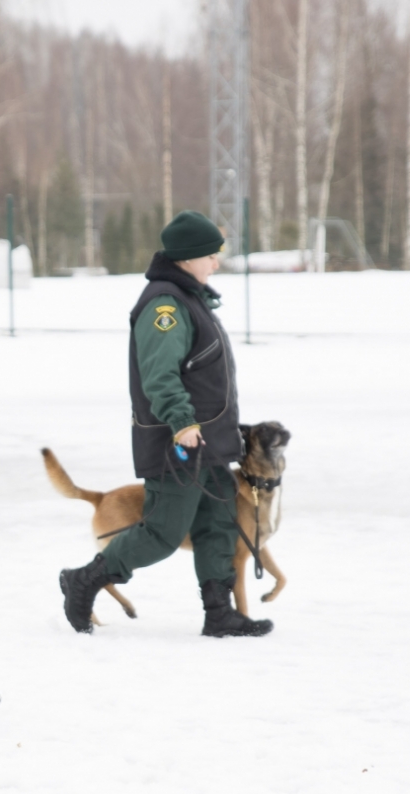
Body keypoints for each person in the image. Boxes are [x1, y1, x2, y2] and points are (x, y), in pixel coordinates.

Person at [57, 210, 273, 639]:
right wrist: (180, 422)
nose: (216, 262)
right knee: (163, 533)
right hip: (181, 441)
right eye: (211, 255)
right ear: (189, 257)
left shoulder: (192, 299)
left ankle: (219, 614)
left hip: (209, 442)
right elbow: (160, 374)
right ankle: (84, 580)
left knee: (218, 525)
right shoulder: (165, 305)